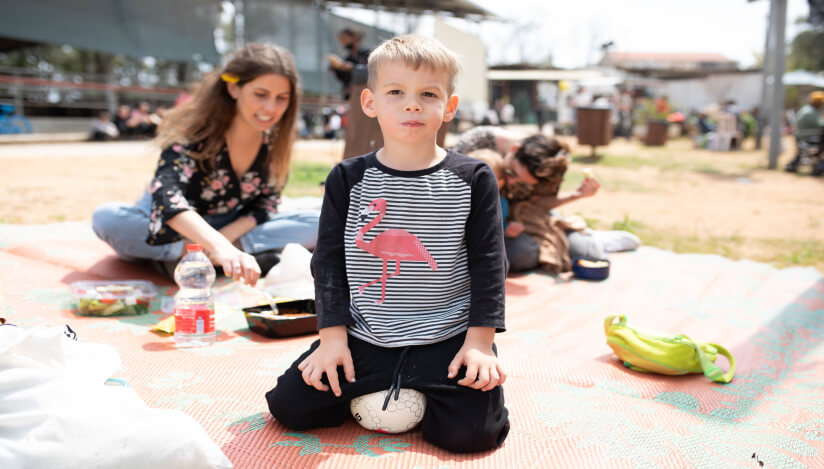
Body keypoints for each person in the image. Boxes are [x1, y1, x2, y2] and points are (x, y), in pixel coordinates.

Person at [266, 34, 509, 454]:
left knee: (473, 436)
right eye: (395, 92)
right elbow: (329, 263)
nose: (411, 104)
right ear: (370, 102)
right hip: (364, 333)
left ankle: (423, 385)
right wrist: (332, 338)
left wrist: (479, 344)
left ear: (448, 106)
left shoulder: (474, 178)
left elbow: (489, 264)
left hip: (446, 334)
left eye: (427, 94)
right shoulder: (347, 178)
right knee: (290, 406)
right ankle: (388, 381)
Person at [92, 43, 320, 285]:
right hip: (175, 228)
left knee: (323, 222)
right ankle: (219, 257)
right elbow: (167, 197)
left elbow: (267, 203)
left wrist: (224, 240)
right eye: (260, 95)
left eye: (281, 98)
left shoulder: (275, 141)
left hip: (232, 228)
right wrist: (219, 246)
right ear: (233, 88)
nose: (271, 108)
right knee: (106, 219)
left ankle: (194, 260)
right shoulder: (194, 132)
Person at [453, 126, 640, 273]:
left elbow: (538, 203)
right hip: (488, 223)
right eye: (511, 172)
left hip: (528, 218)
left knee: (587, 252)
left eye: (523, 182)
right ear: (515, 148)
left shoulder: (548, 166)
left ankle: (594, 239)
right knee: (521, 254)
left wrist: (578, 195)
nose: (512, 182)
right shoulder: (477, 143)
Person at [785, 91, 824, 175]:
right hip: (807, 137)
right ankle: (820, 166)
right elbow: (819, 124)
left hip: (803, 136)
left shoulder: (807, 109)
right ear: (818, 103)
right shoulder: (811, 112)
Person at [328, 28, 372, 100]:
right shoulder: (348, 58)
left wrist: (353, 68)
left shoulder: (367, 54)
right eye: (341, 40)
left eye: (344, 38)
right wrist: (336, 69)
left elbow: (371, 72)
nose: (343, 42)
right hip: (350, 95)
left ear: (354, 37)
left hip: (364, 93)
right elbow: (344, 79)